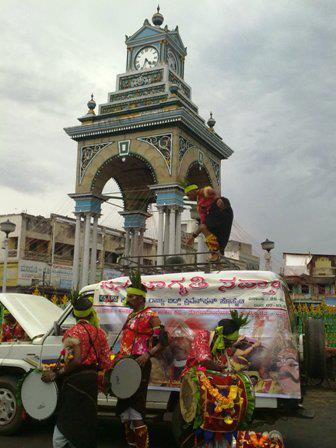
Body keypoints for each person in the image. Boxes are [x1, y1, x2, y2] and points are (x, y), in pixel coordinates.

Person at [42, 295, 112, 448]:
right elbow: (106, 362)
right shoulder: (100, 333)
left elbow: (74, 360)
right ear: (90, 313)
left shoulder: (72, 333)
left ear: (74, 314)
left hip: (75, 384)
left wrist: (57, 373)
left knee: (65, 427)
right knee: (86, 423)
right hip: (91, 383)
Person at [114, 271, 167, 448]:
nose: (127, 299)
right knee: (123, 404)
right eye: (127, 296)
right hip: (124, 362)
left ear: (140, 299)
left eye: (131, 297)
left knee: (136, 405)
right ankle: (131, 442)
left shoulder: (152, 316)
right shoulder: (131, 315)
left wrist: (147, 354)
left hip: (139, 364)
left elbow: (163, 342)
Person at [185, 184, 233, 261]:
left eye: (188, 194)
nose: (188, 197)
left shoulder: (203, 191)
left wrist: (220, 200)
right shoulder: (199, 206)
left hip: (222, 211)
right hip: (214, 217)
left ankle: (216, 253)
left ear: (193, 191)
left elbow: (215, 193)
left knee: (203, 228)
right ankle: (216, 255)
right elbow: (203, 222)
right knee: (204, 228)